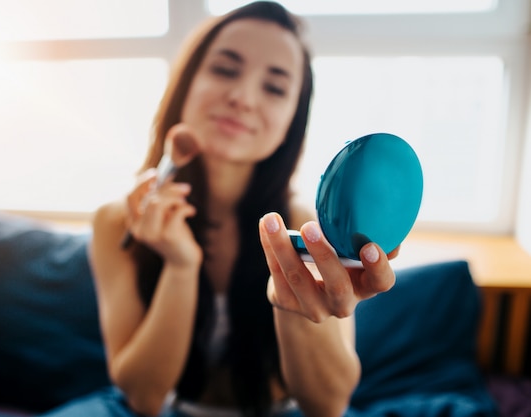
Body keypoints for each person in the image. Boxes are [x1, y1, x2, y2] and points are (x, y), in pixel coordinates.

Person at [42, 2, 396, 417]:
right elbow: (143, 397)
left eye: (275, 88)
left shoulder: (309, 228)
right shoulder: (117, 222)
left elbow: (327, 406)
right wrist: (180, 265)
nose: (243, 98)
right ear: (186, 84)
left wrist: (297, 299)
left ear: (291, 121)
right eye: (225, 70)